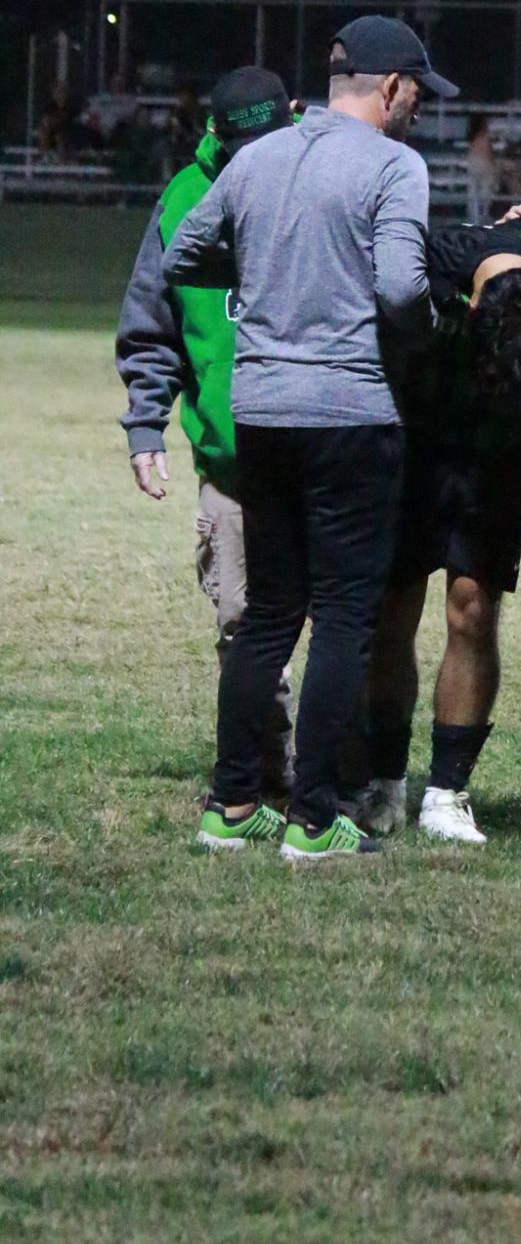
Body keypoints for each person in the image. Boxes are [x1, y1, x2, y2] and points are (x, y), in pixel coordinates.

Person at [163, 15, 454, 862]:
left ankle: (231, 804)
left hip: (261, 408)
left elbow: (183, 253)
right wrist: (428, 330)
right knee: (344, 617)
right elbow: (401, 289)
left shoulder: (258, 155)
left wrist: (267, 274)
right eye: (415, 96)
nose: (416, 113)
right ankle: (318, 817)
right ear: (392, 87)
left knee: (268, 617)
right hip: (349, 411)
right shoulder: (395, 165)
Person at [355, 148, 521, 841]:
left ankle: (447, 791)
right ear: (469, 311)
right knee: (392, 606)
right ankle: (384, 782)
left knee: (473, 607)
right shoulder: (425, 266)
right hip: (416, 432)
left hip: (497, 450)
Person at [116, 67, 296, 798]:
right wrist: (144, 425)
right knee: (242, 620)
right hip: (233, 464)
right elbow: (151, 327)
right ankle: (266, 765)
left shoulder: (308, 180)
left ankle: (344, 772)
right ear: (218, 137)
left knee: (350, 620)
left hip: (320, 446)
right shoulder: (186, 200)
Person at [464, 113, 498, 222]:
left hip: (473, 163)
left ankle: (475, 216)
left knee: (473, 191)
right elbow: (489, 153)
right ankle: (482, 215)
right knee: (484, 192)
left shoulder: (472, 137)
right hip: (483, 164)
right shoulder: (484, 137)